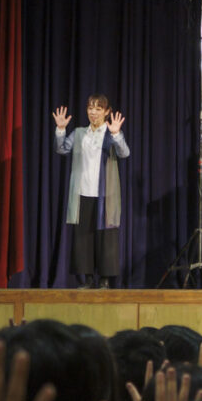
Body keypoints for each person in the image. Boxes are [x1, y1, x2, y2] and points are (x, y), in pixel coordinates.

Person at [53, 94, 130, 289]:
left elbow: (124, 153)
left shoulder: (110, 133)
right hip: (82, 192)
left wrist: (116, 135)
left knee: (105, 237)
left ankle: (104, 279)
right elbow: (62, 149)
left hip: (105, 194)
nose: (93, 112)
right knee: (83, 237)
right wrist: (61, 129)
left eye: (98, 108)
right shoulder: (80, 133)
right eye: (90, 108)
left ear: (106, 112)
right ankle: (87, 279)